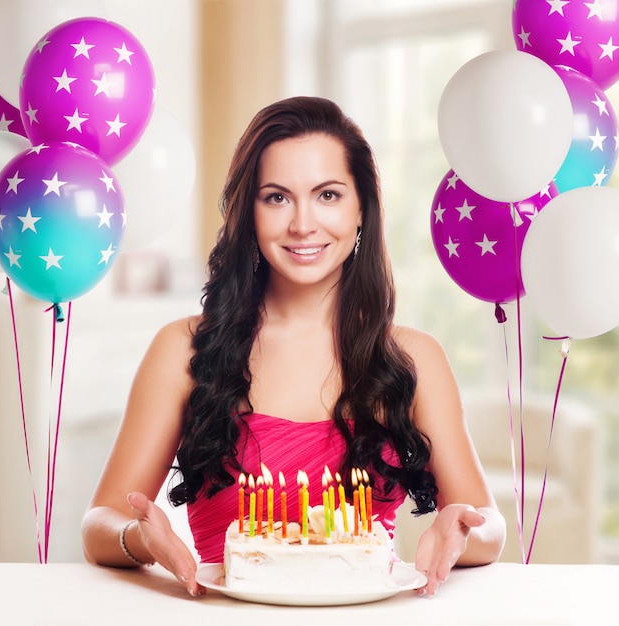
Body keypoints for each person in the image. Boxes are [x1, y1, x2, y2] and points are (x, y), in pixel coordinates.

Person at [81, 96, 506, 597]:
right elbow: (99, 525)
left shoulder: (414, 358)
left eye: (327, 195)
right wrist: (141, 540)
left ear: (362, 207)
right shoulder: (181, 349)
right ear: (249, 213)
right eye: (277, 198)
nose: (303, 224)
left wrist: (460, 528)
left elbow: (488, 527)